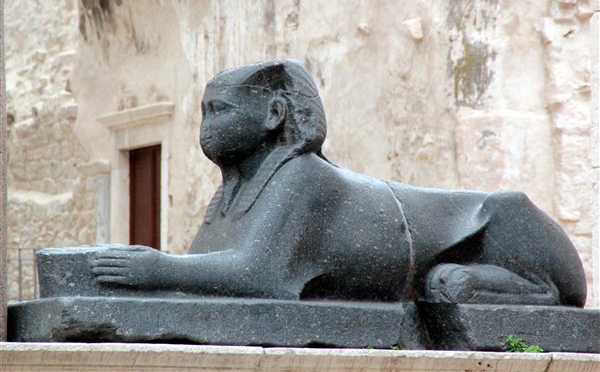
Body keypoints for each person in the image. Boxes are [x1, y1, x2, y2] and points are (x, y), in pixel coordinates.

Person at [92, 59, 587, 306]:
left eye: (220, 110)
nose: (206, 125)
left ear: (274, 113)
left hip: (490, 234)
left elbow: (261, 276)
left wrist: (158, 268)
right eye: (205, 111)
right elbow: (204, 277)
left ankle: (531, 289)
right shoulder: (233, 192)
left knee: (468, 253)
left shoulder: (303, 176)